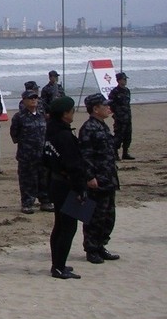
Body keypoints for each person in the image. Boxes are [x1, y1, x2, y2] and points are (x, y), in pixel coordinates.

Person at [45, 96, 99, 279]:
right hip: (66, 185)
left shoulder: (50, 133)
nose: (73, 113)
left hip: (55, 182)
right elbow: (74, 166)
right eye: (72, 110)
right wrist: (81, 189)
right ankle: (58, 267)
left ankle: (57, 265)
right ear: (65, 114)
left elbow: (46, 160)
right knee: (68, 227)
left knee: (59, 225)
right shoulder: (64, 136)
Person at [78, 93, 120, 264]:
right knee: (95, 216)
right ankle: (91, 248)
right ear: (95, 109)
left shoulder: (103, 126)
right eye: (105, 105)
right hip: (97, 181)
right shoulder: (88, 128)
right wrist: (90, 177)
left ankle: (101, 245)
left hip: (108, 178)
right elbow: (85, 156)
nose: (109, 108)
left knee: (109, 216)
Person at [10, 89, 49, 213]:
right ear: (24, 101)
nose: (33, 100)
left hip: (42, 154)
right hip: (26, 155)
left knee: (44, 178)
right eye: (30, 98)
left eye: (35, 98)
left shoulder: (42, 114)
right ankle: (27, 203)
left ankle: (45, 201)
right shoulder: (19, 117)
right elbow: (14, 134)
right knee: (27, 180)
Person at [107, 72, 134, 160]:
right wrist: (117, 112)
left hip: (127, 117)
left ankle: (125, 153)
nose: (125, 81)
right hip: (120, 118)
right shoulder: (115, 92)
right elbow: (111, 103)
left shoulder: (127, 90)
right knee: (119, 135)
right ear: (119, 80)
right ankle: (115, 154)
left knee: (128, 135)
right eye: (124, 79)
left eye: (126, 79)